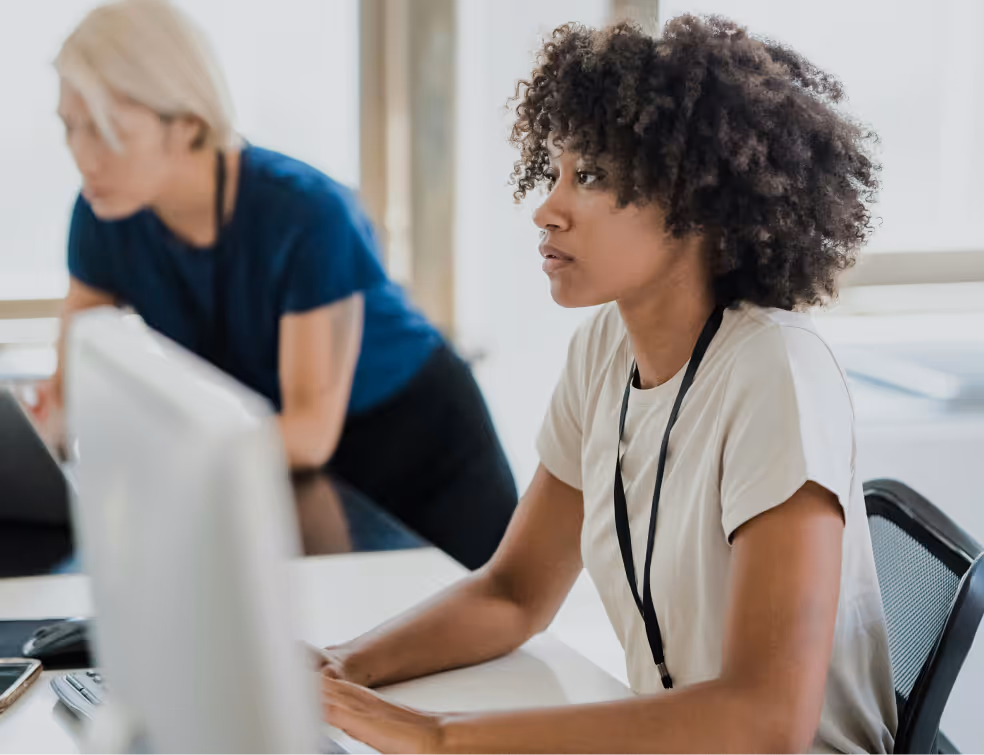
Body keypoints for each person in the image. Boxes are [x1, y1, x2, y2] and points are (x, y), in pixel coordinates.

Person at [317, 16, 898, 754]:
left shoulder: (774, 370)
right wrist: (342, 668)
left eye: (589, 176)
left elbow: (766, 720)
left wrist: (436, 737)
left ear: (695, 203)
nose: (546, 207)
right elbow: (515, 592)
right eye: (554, 171)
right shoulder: (604, 351)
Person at [38, 0, 517, 570]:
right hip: (290, 468)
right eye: (70, 127)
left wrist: (156, 460)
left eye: (106, 129)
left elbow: (310, 432)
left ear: (186, 121)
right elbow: (68, 390)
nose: (81, 156)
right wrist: (43, 433)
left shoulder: (306, 213)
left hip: (416, 441)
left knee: (487, 640)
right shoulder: (103, 214)